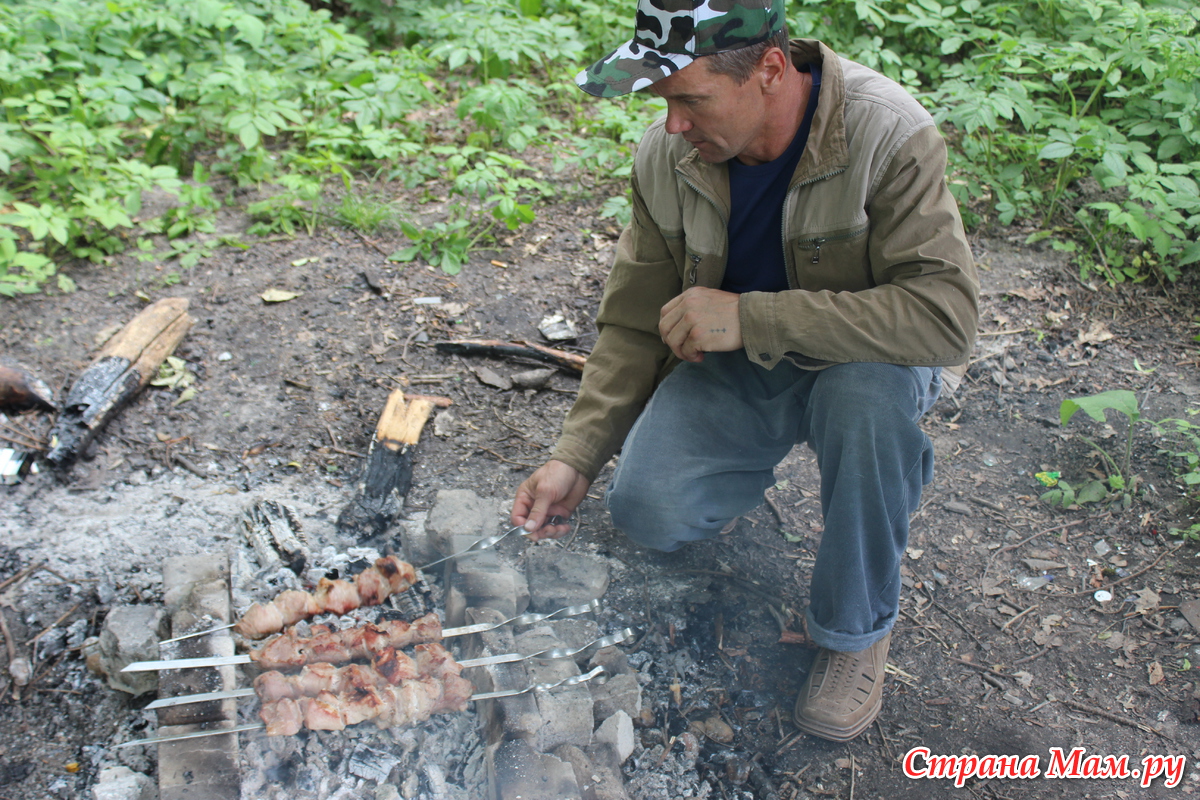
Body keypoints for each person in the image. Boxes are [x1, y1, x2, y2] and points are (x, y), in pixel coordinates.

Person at [510, 0, 979, 742]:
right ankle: (741, 464)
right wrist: (577, 456)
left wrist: (754, 316)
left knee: (867, 406)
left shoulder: (885, 132)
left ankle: (855, 632)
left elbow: (946, 317)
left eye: (689, 98)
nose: (673, 125)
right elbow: (634, 320)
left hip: (862, 365)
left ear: (769, 69)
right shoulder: (667, 159)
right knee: (648, 512)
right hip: (740, 367)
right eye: (662, 101)